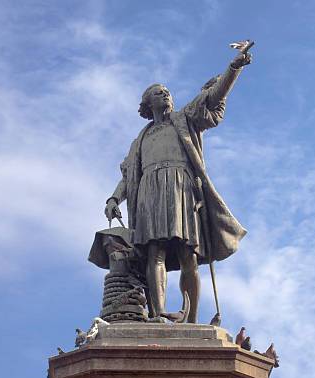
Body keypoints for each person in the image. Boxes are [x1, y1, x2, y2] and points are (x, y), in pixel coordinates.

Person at [104, 50, 252, 323]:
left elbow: (213, 97)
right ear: (148, 104)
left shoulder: (183, 120)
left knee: (188, 254)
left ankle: (192, 318)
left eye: (168, 92)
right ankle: (158, 313)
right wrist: (114, 198)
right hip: (150, 192)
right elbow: (129, 176)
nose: (167, 95)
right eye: (159, 93)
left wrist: (233, 68)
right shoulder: (141, 139)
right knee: (154, 252)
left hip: (181, 187)